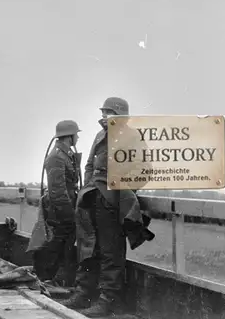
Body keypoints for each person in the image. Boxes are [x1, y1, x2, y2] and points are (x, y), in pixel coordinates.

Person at [61, 97, 154, 317]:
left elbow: (145, 169)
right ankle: (84, 292)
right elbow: (90, 165)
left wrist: (122, 189)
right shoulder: (100, 135)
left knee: (111, 251)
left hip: (112, 201)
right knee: (88, 247)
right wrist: (86, 188)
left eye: (107, 112)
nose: (102, 116)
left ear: (120, 115)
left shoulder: (132, 136)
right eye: (103, 112)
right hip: (91, 198)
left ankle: (107, 300)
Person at [31, 120, 82, 291]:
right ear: (69, 136)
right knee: (56, 244)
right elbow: (58, 191)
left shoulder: (65, 155)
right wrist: (70, 216)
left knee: (63, 245)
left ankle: (56, 281)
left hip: (66, 208)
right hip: (60, 210)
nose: (78, 137)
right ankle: (47, 279)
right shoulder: (56, 157)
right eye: (76, 134)